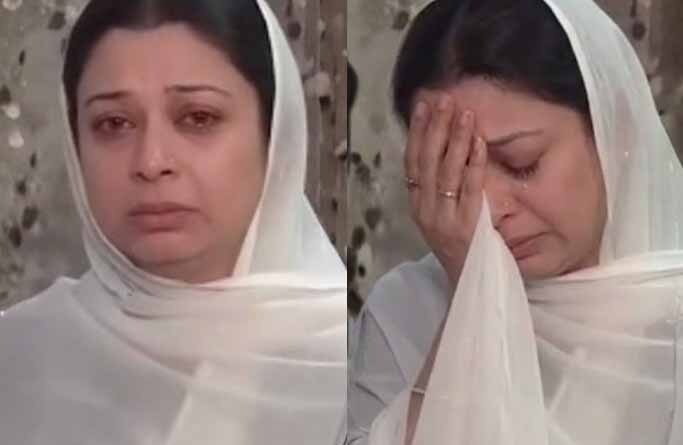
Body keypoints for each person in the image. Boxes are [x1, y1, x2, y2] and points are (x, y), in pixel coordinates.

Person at [0, 1, 347, 444]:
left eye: (198, 118)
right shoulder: (21, 357)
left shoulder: (356, 364)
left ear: (274, 135)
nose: (151, 161)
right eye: (113, 123)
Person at [348, 0, 683, 444]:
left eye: (522, 164)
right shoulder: (406, 310)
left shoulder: (671, 314)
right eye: (456, 173)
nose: (489, 209)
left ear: (613, 126)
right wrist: (473, 291)